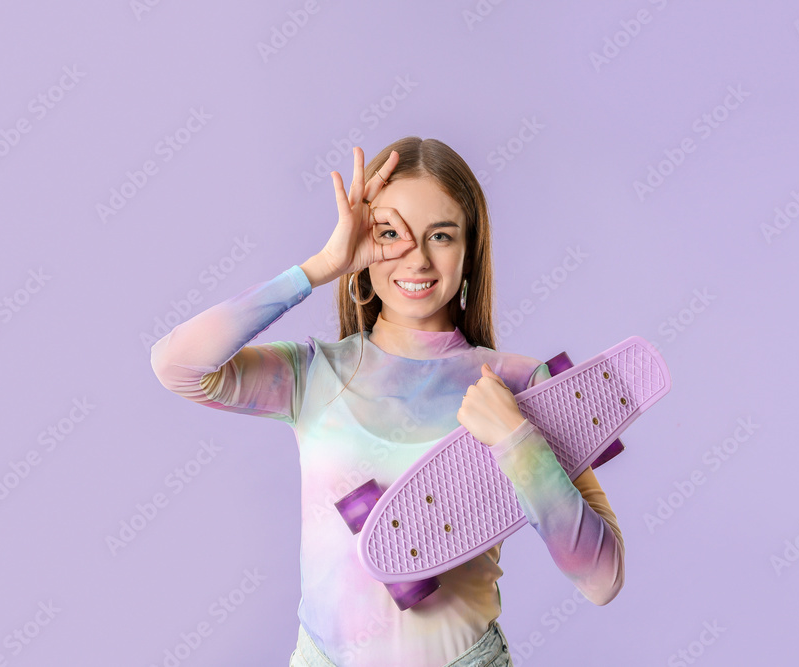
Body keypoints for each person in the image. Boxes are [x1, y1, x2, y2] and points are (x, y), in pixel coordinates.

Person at [150, 137, 625, 667]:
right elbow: (177, 365)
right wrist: (320, 266)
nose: (417, 258)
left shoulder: (519, 384)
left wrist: (519, 441)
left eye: (440, 235)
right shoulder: (313, 374)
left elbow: (602, 579)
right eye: (390, 233)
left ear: (469, 251)